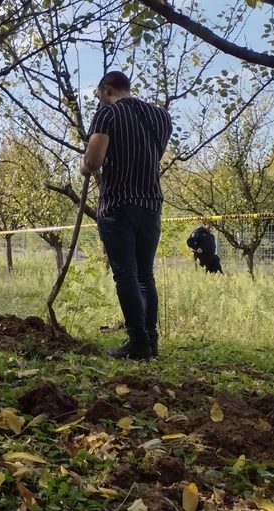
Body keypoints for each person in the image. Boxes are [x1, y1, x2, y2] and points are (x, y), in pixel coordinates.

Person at [80, 71, 172, 361]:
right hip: (151, 203)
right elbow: (151, 156)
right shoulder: (161, 116)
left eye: (99, 96)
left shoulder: (107, 114)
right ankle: (150, 341)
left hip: (118, 204)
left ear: (106, 89)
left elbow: (94, 162)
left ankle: (138, 343)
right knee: (145, 274)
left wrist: (85, 167)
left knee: (126, 275)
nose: (99, 101)